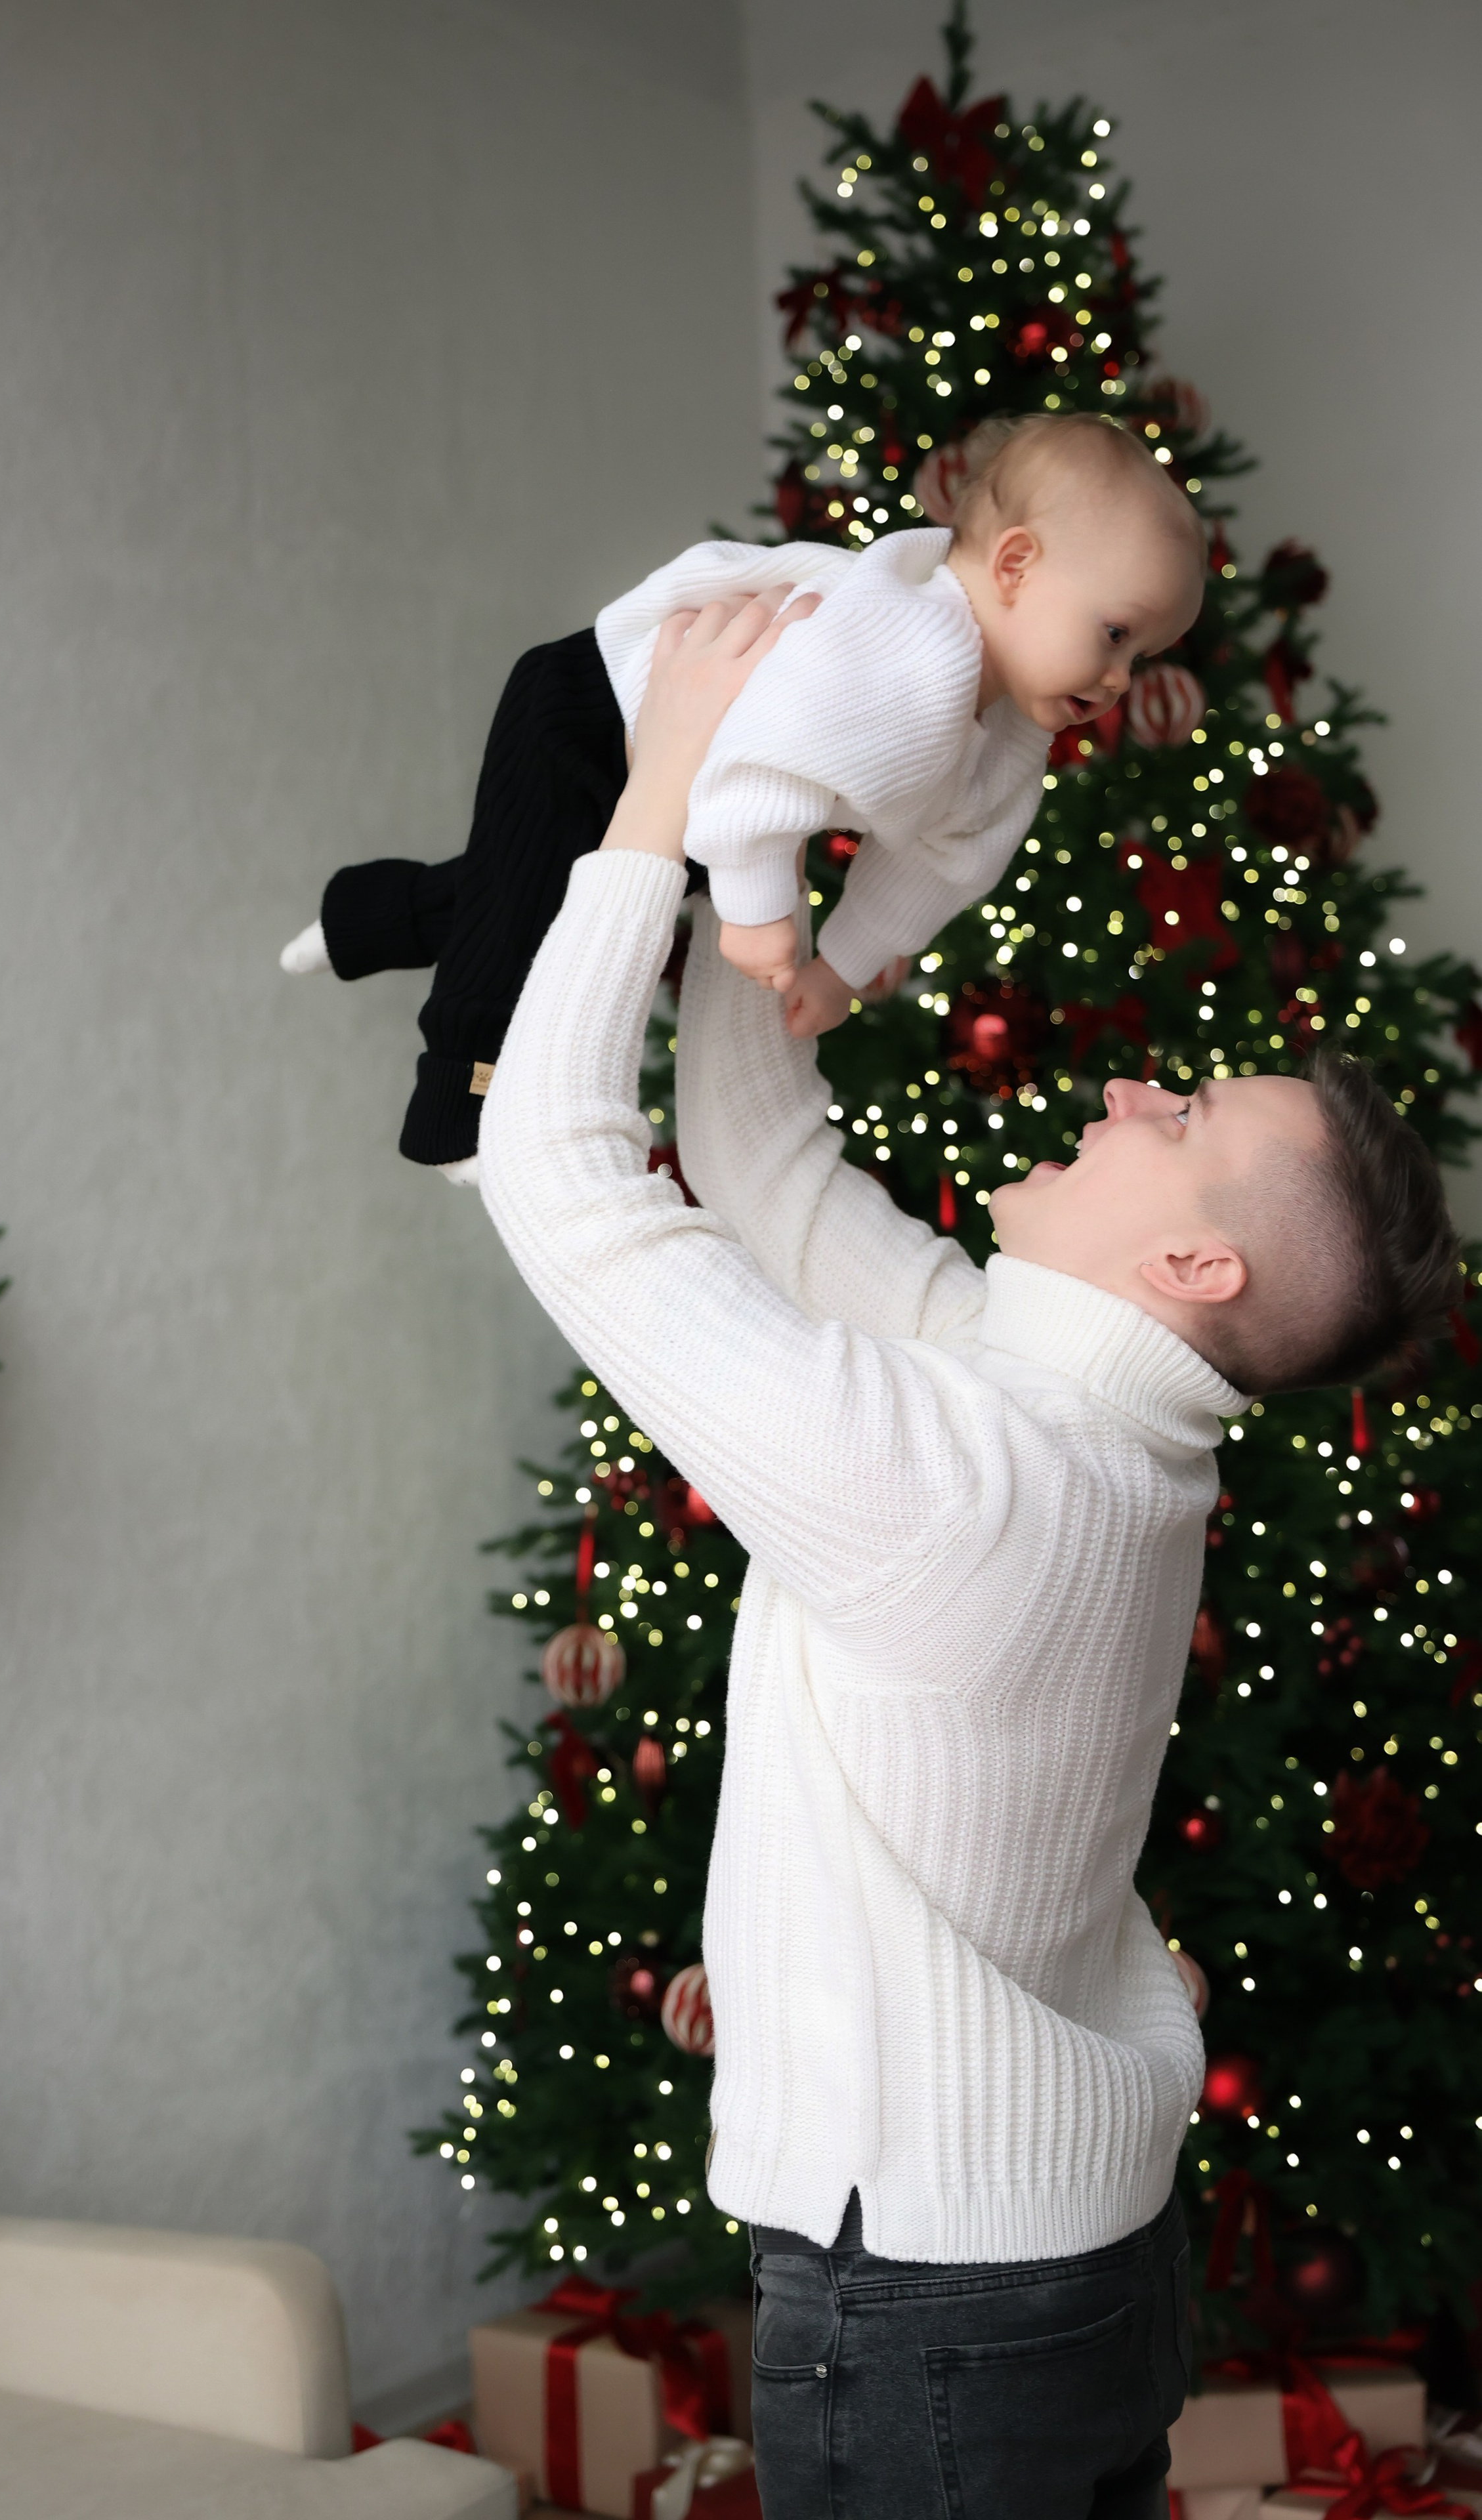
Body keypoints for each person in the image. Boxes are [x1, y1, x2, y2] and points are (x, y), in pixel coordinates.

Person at [474, 593, 1460, 2520]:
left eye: (1172, 1119)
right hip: (1057, 2265)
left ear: (1197, 1268)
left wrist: (664, 790)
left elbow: (562, 1175)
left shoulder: (971, 1468)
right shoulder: (1074, 1422)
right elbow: (772, 1186)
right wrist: (755, 911)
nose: (1120, 1092)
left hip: (931, 2306)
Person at [281, 413, 1203, 1171]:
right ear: (1014, 566)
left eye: (1144, 655)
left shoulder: (1010, 738)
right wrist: (760, 908)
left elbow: (944, 861)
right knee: (522, 915)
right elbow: (761, 768)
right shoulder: (909, 651)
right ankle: (453, 1110)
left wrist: (841, 965)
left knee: (521, 886)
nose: (1122, 678)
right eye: (1116, 632)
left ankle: (370, 915)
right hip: (594, 711)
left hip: (691, 787)